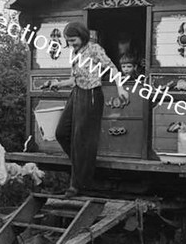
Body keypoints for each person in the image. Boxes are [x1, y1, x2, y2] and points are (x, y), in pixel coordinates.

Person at [48, 21, 129, 198]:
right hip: (76, 94)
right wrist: (59, 84)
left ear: (83, 36)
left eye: (73, 40)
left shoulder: (94, 49)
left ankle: (77, 184)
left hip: (91, 95)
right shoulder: (74, 52)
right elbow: (73, 79)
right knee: (62, 133)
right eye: (68, 41)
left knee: (81, 141)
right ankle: (83, 168)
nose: (71, 44)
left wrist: (120, 88)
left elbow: (113, 68)